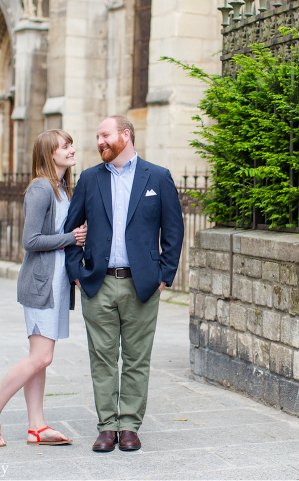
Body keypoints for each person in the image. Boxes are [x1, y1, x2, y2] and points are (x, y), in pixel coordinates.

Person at [64, 115, 184, 452]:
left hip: (141, 285)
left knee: (136, 358)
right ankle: (107, 426)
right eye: (97, 137)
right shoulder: (89, 179)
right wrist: (76, 271)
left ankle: (129, 425)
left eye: (105, 135)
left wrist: (164, 275)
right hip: (98, 284)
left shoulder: (157, 177)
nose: (99, 141)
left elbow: (173, 230)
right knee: (101, 358)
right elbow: (72, 230)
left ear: (125, 135)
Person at [0, 129, 87, 447]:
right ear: (49, 153)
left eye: (70, 144)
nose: (71, 149)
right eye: (64, 146)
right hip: (40, 286)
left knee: (39, 358)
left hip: (56, 285)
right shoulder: (41, 189)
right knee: (41, 358)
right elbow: (31, 241)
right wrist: (72, 238)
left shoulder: (63, 189)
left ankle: (36, 426)